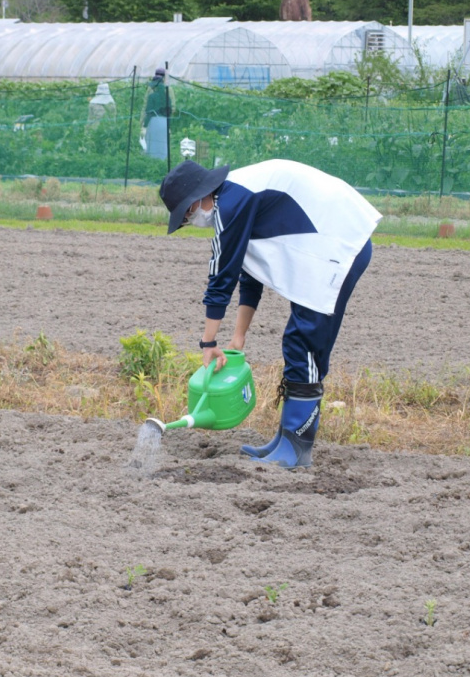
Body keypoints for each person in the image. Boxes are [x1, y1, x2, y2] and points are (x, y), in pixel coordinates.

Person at [158, 158, 380, 468]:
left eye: (187, 213)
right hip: (327, 246)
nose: (191, 220)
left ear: (200, 196)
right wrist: (238, 337)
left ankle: (296, 449)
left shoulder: (232, 202)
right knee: (300, 342)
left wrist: (208, 343)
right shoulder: (237, 197)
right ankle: (286, 440)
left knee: (303, 343)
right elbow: (250, 275)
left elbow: (221, 277)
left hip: (336, 247)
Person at [141, 68, 171, 160]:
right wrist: (169, 125)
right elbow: (169, 112)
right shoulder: (167, 97)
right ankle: (163, 161)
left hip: (154, 121)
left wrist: (144, 125)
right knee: (162, 143)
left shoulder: (152, 96)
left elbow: (149, 112)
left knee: (153, 143)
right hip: (164, 122)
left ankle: (152, 161)